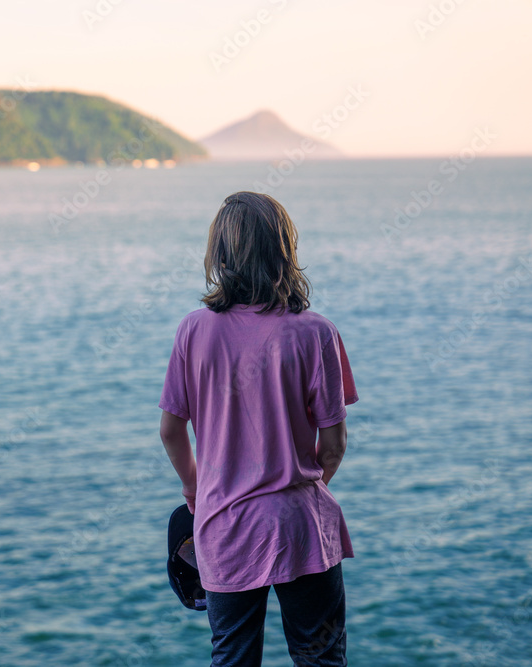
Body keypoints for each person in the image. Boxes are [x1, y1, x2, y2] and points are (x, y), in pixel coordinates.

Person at [158, 191, 358, 666]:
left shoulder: (194, 331)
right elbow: (333, 446)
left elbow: (171, 430)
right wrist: (300, 490)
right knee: (320, 658)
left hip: (224, 524)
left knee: (232, 658)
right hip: (300, 525)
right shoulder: (316, 333)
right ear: (284, 250)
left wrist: (197, 489)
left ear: (220, 254)